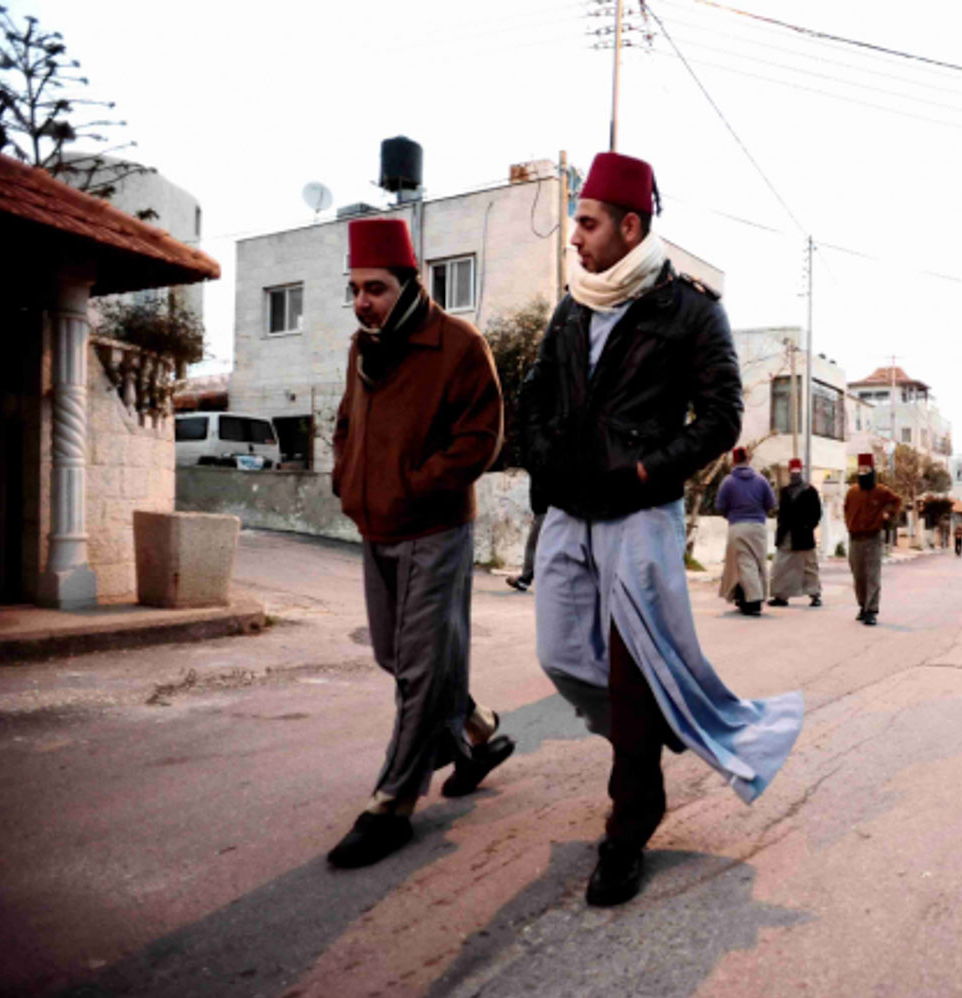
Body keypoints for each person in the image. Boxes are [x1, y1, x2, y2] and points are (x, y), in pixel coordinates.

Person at [522, 151, 803, 907]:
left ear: (629, 225)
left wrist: (648, 472)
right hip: (568, 510)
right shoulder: (571, 303)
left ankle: (631, 816)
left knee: (631, 666)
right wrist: (546, 464)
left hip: (639, 513)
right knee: (557, 652)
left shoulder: (691, 309)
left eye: (585, 222)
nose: (573, 237)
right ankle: (653, 728)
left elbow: (720, 419)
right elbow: (539, 394)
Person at [326, 217, 516, 869]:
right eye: (353, 288)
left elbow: (481, 437)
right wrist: (346, 479)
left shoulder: (458, 345)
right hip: (374, 525)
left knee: (416, 668)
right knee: (394, 654)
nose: (361, 301)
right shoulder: (362, 348)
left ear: (408, 282)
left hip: (434, 527)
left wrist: (416, 485)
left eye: (373, 288)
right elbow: (346, 424)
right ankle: (473, 728)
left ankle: (391, 803)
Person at [716, 446, 776, 615]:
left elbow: (720, 506)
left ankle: (753, 600)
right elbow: (771, 504)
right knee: (757, 562)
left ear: (733, 461)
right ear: (748, 459)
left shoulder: (728, 482)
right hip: (758, 527)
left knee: (742, 563)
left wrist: (731, 515)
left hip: (738, 526)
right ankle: (749, 596)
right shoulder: (762, 480)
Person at [844, 453, 902, 626]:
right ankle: (862, 606)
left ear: (872, 470)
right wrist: (850, 523)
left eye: (866, 470)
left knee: (872, 575)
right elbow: (846, 509)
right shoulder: (852, 492)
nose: (863, 472)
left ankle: (871, 610)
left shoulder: (881, 491)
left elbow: (896, 501)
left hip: (872, 537)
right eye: (860, 470)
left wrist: (887, 514)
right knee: (858, 575)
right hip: (855, 538)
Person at [769, 457, 823, 607]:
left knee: (809, 566)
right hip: (786, 534)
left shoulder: (810, 491)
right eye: (792, 472)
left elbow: (817, 513)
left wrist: (808, 526)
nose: (794, 474)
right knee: (781, 566)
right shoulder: (785, 491)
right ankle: (781, 595)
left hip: (804, 535)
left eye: (796, 472)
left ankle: (815, 593)